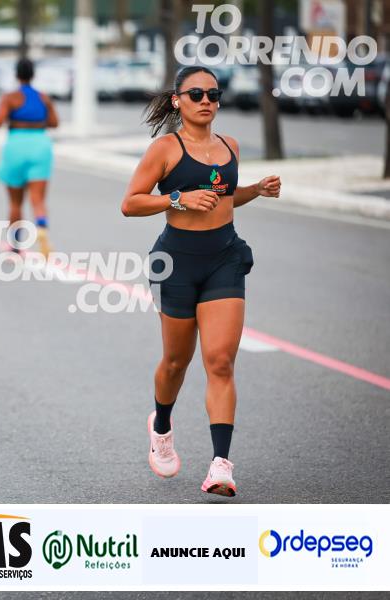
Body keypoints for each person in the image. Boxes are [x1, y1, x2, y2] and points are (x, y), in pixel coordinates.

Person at [121, 66, 281, 497]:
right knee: (177, 361)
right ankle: (161, 425)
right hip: (176, 263)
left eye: (213, 93)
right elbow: (130, 203)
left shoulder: (230, 146)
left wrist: (256, 189)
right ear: (178, 100)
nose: (207, 100)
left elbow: (224, 198)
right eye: (196, 94)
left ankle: (220, 466)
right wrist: (178, 198)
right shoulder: (165, 149)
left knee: (221, 361)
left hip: (224, 259)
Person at [0, 58, 58, 257]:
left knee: (15, 203)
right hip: (40, 144)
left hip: (16, 145)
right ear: (33, 75)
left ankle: (15, 246)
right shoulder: (43, 97)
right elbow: (54, 122)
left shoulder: (10, 98)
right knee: (38, 199)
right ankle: (42, 228)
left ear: (16, 75)